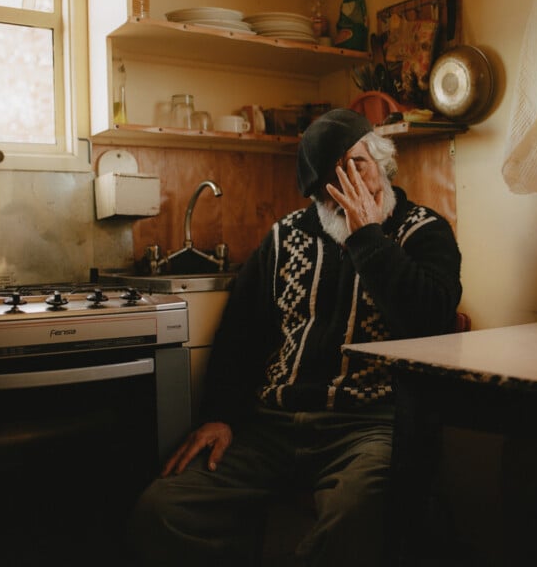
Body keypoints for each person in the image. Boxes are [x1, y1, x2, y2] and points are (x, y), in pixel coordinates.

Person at [131, 108, 462, 566]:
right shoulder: (285, 237)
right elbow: (240, 336)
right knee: (164, 508)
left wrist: (368, 238)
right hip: (273, 426)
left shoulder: (424, 232)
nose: (346, 185)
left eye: (357, 165)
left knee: (357, 515)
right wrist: (221, 414)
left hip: (369, 428)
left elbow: (431, 321)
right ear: (313, 194)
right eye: (330, 177)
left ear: (382, 164)